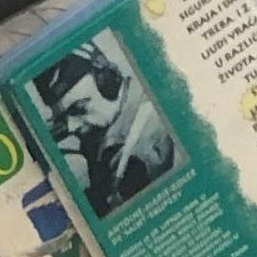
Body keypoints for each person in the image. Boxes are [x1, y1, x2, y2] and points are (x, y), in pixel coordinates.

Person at [34, 46, 178, 218]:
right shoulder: (102, 133)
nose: (76, 124)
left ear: (108, 78)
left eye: (82, 108)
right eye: (70, 115)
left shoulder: (147, 118)